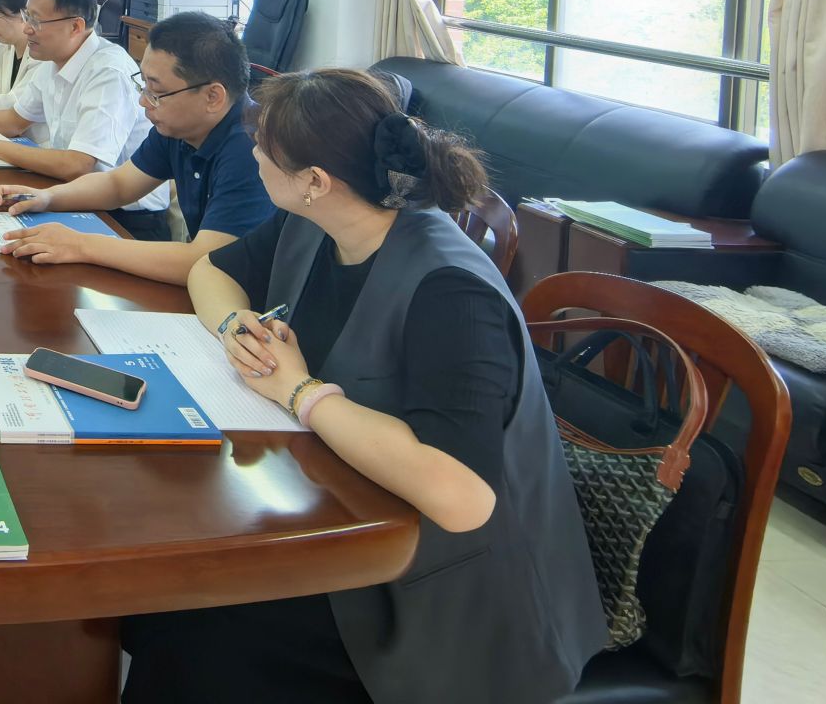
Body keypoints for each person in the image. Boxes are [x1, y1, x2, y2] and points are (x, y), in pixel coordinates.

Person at [122, 68, 607, 704]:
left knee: (197, 624)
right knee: (159, 595)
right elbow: (211, 270)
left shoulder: (451, 291)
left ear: (315, 180)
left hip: (440, 593)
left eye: (263, 146)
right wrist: (236, 325)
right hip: (343, 504)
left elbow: (462, 497)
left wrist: (300, 392)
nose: (254, 154)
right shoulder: (315, 223)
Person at [0, 11, 270, 258]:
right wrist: (47, 197)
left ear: (213, 97)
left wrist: (80, 245)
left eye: (157, 91)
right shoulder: (178, 128)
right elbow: (118, 184)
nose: (144, 101)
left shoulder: (253, 150)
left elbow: (205, 258)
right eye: (143, 85)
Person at [0, 0, 147, 189]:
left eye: (36, 21)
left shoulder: (108, 72)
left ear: (75, 27)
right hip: (69, 188)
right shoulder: (53, 59)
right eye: (27, 16)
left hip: (116, 206)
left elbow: (78, 164)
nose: (27, 28)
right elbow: (15, 119)